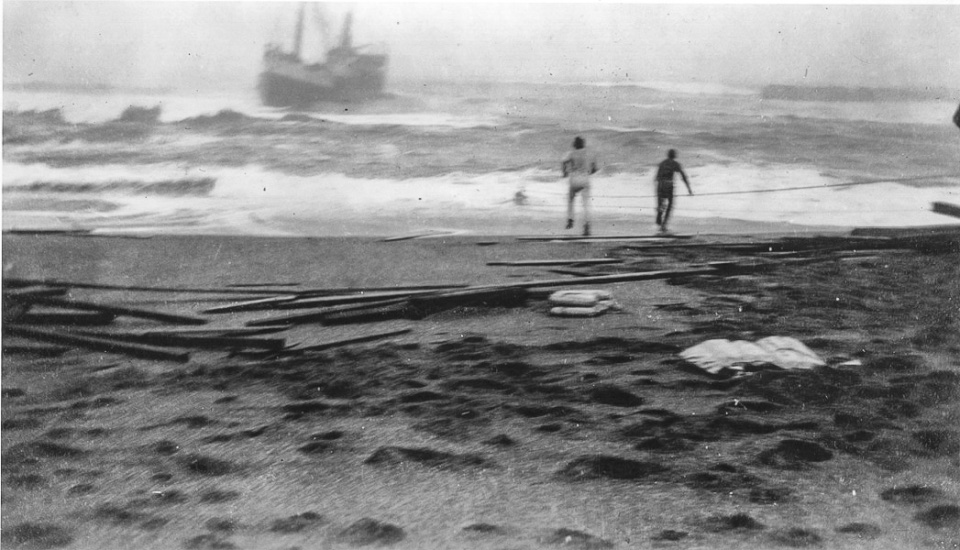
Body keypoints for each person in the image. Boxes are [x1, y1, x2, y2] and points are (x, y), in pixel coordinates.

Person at [561, 136, 598, 236]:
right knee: (586, 204)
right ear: (583, 144)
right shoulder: (589, 153)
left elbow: (563, 161)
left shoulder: (571, 153)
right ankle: (587, 225)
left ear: (575, 145)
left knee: (570, 199)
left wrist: (564, 172)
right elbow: (594, 169)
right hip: (585, 179)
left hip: (574, 179)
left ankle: (570, 219)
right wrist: (591, 170)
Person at [654, 149, 693, 233]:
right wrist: (689, 189)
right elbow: (683, 176)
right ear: (674, 155)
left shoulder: (662, 163)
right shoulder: (675, 164)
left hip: (660, 185)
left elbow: (656, 177)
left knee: (661, 204)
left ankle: (659, 214)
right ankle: (664, 225)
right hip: (668, 184)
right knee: (670, 205)